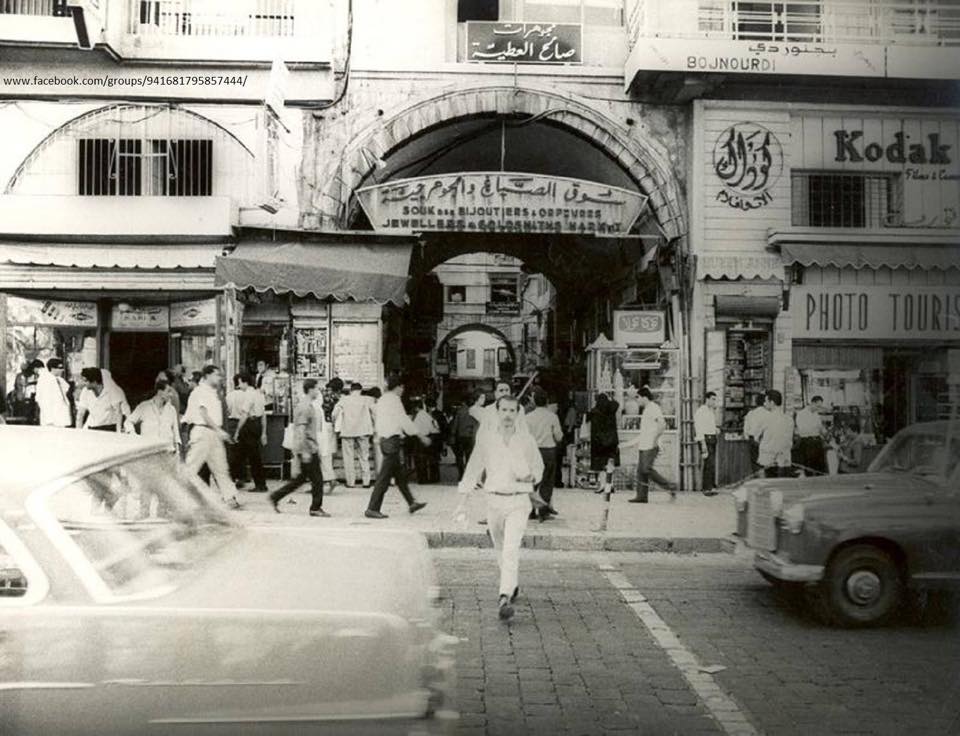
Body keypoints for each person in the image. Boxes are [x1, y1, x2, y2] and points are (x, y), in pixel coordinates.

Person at [454, 395, 544, 621]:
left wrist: (532, 477)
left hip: (518, 501)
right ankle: (511, 583)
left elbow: (538, 467)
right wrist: (463, 500)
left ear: (518, 413)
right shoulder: (487, 440)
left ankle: (504, 596)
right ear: (497, 412)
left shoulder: (526, 441)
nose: (507, 415)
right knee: (500, 547)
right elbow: (473, 469)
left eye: (512, 410)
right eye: (504, 410)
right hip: (494, 500)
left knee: (511, 548)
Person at [365, 375, 430, 519]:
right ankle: (372, 508)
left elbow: (380, 421)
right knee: (384, 478)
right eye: (402, 387)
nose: (403, 390)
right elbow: (404, 420)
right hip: (392, 441)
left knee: (400, 476)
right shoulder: (394, 400)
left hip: (385, 440)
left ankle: (411, 502)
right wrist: (420, 436)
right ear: (398, 386)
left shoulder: (382, 400)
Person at [182, 365, 241, 509]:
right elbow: (203, 413)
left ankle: (230, 498)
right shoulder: (200, 391)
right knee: (191, 468)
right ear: (207, 375)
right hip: (203, 432)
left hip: (213, 433)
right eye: (217, 375)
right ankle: (177, 498)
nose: (219, 378)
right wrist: (218, 430)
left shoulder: (212, 392)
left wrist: (218, 431)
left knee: (221, 468)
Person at [269, 379, 329, 517]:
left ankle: (276, 496)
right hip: (307, 448)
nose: (318, 392)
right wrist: (305, 451)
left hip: (309, 447)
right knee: (317, 480)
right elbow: (301, 430)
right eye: (317, 389)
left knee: (301, 479)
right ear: (311, 389)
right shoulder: (305, 407)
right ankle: (315, 507)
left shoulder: (307, 405)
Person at [621, 387, 677, 502]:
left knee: (646, 469)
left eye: (638, 397)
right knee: (641, 471)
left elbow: (662, 425)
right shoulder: (647, 409)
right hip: (644, 444)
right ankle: (641, 496)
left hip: (651, 445)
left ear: (644, 397)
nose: (637, 400)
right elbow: (645, 432)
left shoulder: (653, 408)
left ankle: (669, 486)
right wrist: (628, 444)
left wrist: (655, 439)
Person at [526, 388, 563, 522]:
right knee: (547, 481)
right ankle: (544, 511)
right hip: (548, 451)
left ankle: (529, 510)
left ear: (534, 401)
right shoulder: (552, 417)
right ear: (547, 402)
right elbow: (558, 436)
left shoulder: (527, 417)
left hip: (532, 451)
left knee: (532, 481)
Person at [333, 382, 375, 488]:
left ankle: (350, 482)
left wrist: (335, 423)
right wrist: (374, 425)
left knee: (348, 458)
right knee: (364, 457)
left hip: (347, 431)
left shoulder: (344, 399)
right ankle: (366, 482)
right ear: (360, 390)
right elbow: (375, 413)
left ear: (350, 390)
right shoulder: (367, 399)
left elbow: (334, 413)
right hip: (364, 431)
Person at [230, 373, 268, 492]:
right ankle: (239, 479)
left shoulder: (248, 395)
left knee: (245, 455)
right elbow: (263, 415)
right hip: (257, 425)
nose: (239, 386)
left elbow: (244, 414)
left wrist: (237, 431)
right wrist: (264, 432)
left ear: (245, 382)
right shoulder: (259, 394)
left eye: (240, 383)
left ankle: (258, 484)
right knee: (246, 454)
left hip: (249, 425)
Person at [125, 378, 181, 454]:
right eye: (168, 391)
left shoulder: (171, 409)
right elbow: (128, 422)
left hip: (167, 452)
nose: (171, 394)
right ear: (160, 392)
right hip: (149, 452)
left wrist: (177, 450)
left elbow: (176, 432)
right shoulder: (144, 407)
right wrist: (133, 435)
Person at [757, 389, 794, 478]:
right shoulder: (789, 419)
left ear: (772, 402)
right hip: (784, 459)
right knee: (783, 483)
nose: (764, 404)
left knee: (770, 483)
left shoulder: (764, 418)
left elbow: (756, 436)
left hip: (768, 459)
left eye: (766, 401)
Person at [77, 368, 127, 432]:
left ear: (94, 382)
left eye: (85, 381)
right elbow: (80, 414)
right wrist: (78, 432)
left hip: (109, 428)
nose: (83, 383)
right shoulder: (85, 391)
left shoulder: (111, 390)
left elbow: (118, 412)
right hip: (92, 428)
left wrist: (118, 432)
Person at [225, 373, 253, 487]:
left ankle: (232, 476)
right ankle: (243, 476)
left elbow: (226, 410)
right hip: (244, 423)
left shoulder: (229, 396)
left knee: (232, 451)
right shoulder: (247, 395)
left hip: (232, 422)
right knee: (243, 451)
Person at [450, 390, 484, 478]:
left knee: (460, 457)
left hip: (461, 437)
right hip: (471, 437)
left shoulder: (460, 411)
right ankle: (469, 475)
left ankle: (461, 475)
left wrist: (453, 436)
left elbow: (455, 425)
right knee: (470, 457)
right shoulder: (475, 410)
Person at [694, 391, 720, 495]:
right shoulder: (701, 411)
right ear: (707, 399)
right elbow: (699, 429)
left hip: (712, 438)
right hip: (705, 439)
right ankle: (707, 488)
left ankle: (711, 486)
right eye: (713, 399)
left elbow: (709, 425)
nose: (714, 402)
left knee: (711, 464)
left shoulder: (710, 411)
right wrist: (703, 444)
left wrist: (715, 429)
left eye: (715, 400)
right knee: (709, 463)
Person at [795, 395, 827, 475]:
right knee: (809, 468)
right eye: (817, 406)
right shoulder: (801, 414)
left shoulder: (816, 415)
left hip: (817, 442)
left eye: (820, 407)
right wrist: (815, 429)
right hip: (807, 443)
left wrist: (824, 431)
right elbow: (802, 430)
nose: (818, 408)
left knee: (820, 467)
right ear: (812, 403)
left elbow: (820, 428)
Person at [36, 358, 72, 427]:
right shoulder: (46, 380)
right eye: (60, 368)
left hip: (60, 418)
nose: (62, 370)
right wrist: (49, 420)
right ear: (52, 368)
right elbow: (44, 401)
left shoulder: (59, 380)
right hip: (52, 420)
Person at [589, 393, 619, 471]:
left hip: (599, 444)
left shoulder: (595, 413)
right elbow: (616, 404)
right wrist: (611, 398)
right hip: (611, 442)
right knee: (610, 466)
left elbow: (595, 430)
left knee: (599, 467)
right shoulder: (611, 410)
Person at [412, 398, 440, 483]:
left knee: (420, 460)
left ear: (416, 408)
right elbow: (435, 427)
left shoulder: (418, 416)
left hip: (421, 439)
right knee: (430, 459)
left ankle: (422, 479)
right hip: (430, 437)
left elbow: (414, 428)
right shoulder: (427, 415)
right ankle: (434, 478)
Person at [743, 394, 769, 471]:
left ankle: (758, 476)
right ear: (765, 402)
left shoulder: (751, 413)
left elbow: (746, 429)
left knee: (755, 463)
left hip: (752, 440)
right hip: (765, 440)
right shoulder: (768, 414)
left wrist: (748, 438)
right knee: (766, 462)